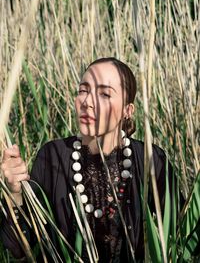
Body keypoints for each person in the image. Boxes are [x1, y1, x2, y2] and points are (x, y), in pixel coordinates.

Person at [0, 57, 174, 262]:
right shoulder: (53, 156)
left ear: (128, 110)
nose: (87, 102)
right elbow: (20, 248)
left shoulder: (150, 161)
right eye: (83, 90)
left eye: (105, 94)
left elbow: (180, 230)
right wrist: (15, 192)